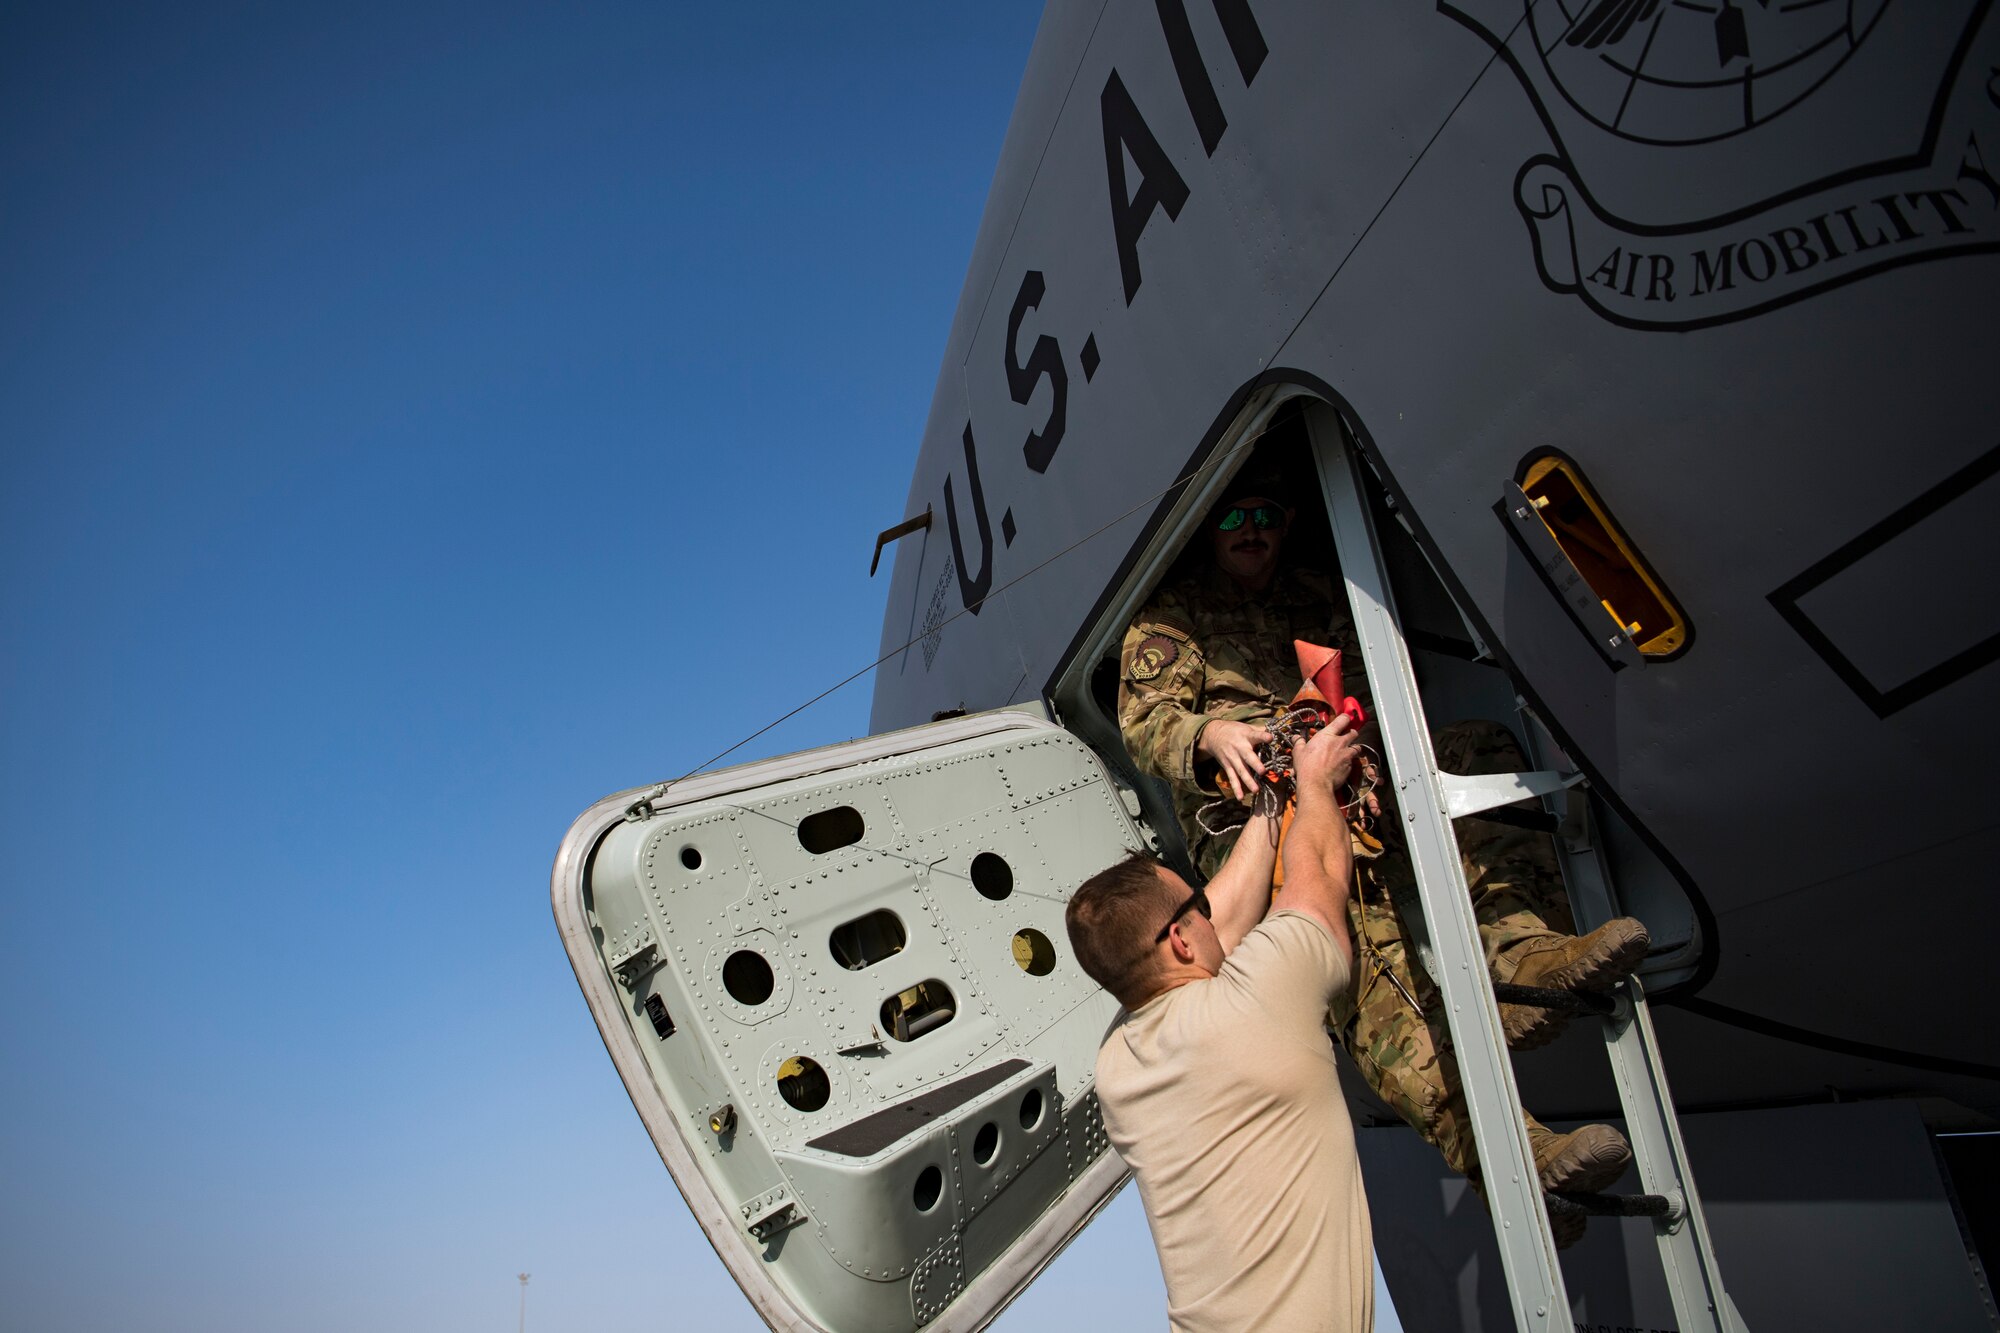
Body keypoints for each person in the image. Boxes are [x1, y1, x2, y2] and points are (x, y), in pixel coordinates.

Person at [1117, 470, 1645, 1242]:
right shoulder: (1176, 616)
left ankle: (1524, 958)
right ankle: (1514, 1157)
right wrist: (1209, 735)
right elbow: (1145, 720)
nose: (1250, 527)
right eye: (1234, 515)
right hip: (1259, 809)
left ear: (1287, 519)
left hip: (1344, 769)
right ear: (1211, 528)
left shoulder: (1315, 591)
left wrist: (1346, 736)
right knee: (1364, 964)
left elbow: (1364, 682)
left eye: (1265, 512)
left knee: (1477, 754)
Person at [1067, 718, 1373, 1333]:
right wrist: (1315, 784)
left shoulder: (1118, 1068)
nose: (1210, 907)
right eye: (1193, 904)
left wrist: (1271, 800)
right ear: (1180, 939)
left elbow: (1221, 925)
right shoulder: (1259, 998)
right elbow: (1318, 870)